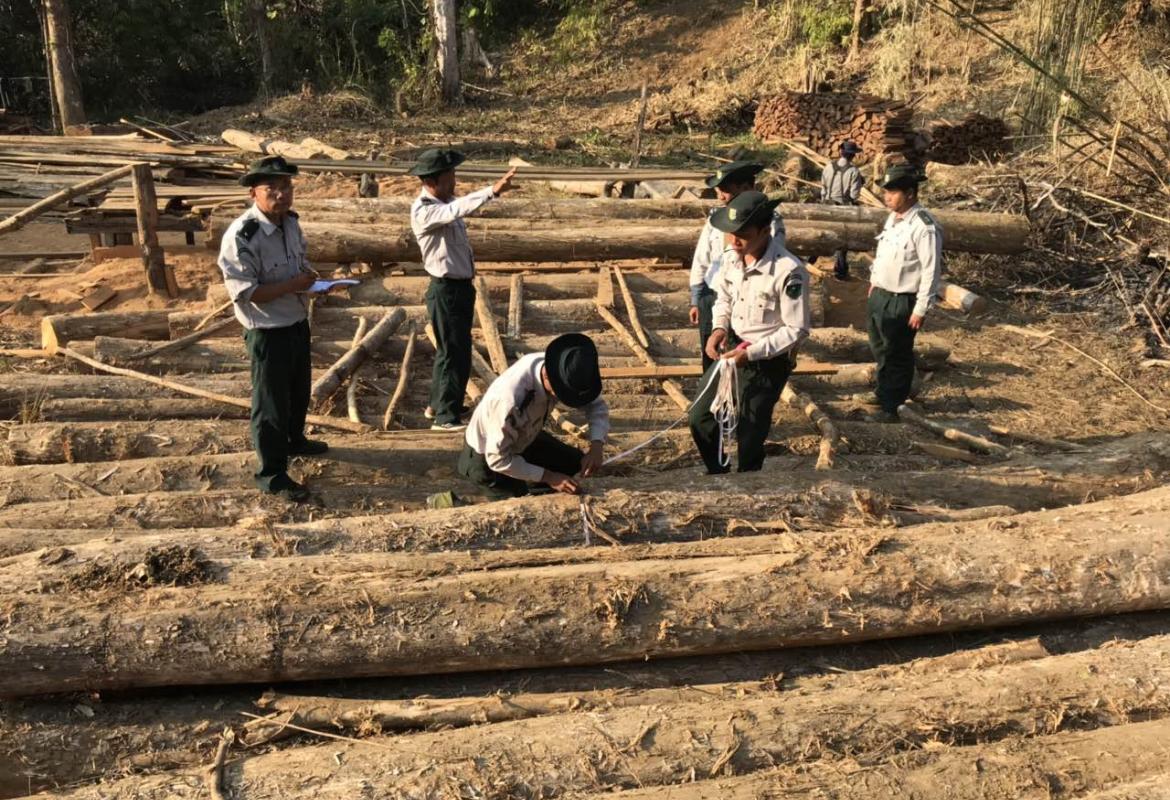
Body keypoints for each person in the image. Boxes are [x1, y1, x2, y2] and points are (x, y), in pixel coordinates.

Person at [217, 156, 328, 502]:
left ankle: (295, 440)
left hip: (295, 321)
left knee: (298, 391)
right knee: (270, 405)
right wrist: (295, 284)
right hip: (267, 330)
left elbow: (299, 262)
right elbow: (248, 293)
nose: (282, 194)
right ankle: (272, 474)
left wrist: (311, 281)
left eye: (287, 187)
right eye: (272, 189)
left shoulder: (290, 223)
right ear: (253, 193)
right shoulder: (242, 235)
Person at [689, 191, 811, 474]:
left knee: (750, 430)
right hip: (734, 347)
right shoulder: (731, 257)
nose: (734, 240)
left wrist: (752, 354)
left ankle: (748, 478)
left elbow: (796, 329)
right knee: (700, 415)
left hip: (768, 359)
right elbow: (724, 297)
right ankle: (717, 470)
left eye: (743, 234)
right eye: (731, 233)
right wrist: (719, 328)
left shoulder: (789, 271)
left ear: (765, 231)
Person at [428, 333, 610, 507]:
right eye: (563, 394)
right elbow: (497, 459)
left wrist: (597, 446)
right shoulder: (509, 400)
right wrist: (549, 477)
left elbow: (597, 406)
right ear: (548, 377)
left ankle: (535, 484)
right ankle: (454, 503)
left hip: (526, 437)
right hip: (488, 459)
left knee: (574, 464)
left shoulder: (565, 367)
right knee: (521, 506)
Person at [409, 149, 517, 431]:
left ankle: (439, 405)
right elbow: (458, 209)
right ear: (432, 181)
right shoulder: (425, 210)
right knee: (454, 353)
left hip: (459, 288)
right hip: (446, 290)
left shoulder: (446, 202)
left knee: (453, 349)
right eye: (449, 178)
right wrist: (492, 191)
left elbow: (459, 206)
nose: (454, 183)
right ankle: (446, 417)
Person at [689, 161, 787, 371]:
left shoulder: (769, 222)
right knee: (711, 351)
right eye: (718, 191)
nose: (721, 197)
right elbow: (702, 256)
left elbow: (771, 263)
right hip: (714, 293)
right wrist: (696, 296)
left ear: (747, 188)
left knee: (739, 356)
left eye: (726, 191)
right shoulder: (716, 218)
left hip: (746, 297)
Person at [865, 163, 943, 423]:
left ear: (910, 193)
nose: (886, 197)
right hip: (881, 295)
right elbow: (884, 254)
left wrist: (921, 308)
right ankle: (883, 392)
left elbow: (931, 270)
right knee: (879, 348)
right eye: (886, 192)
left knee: (897, 353)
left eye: (893, 192)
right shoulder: (893, 218)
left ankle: (892, 407)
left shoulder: (924, 226)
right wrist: (874, 282)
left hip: (902, 300)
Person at [820, 140, 864, 280]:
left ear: (840, 152)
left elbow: (823, 188)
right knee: (842, 240)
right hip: (843, 208)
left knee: (820, 234)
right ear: (853, 155)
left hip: (826, 205)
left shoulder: (828, 166)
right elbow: (854, 195)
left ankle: (810, 261)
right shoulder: (853, 171)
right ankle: (841, 270)